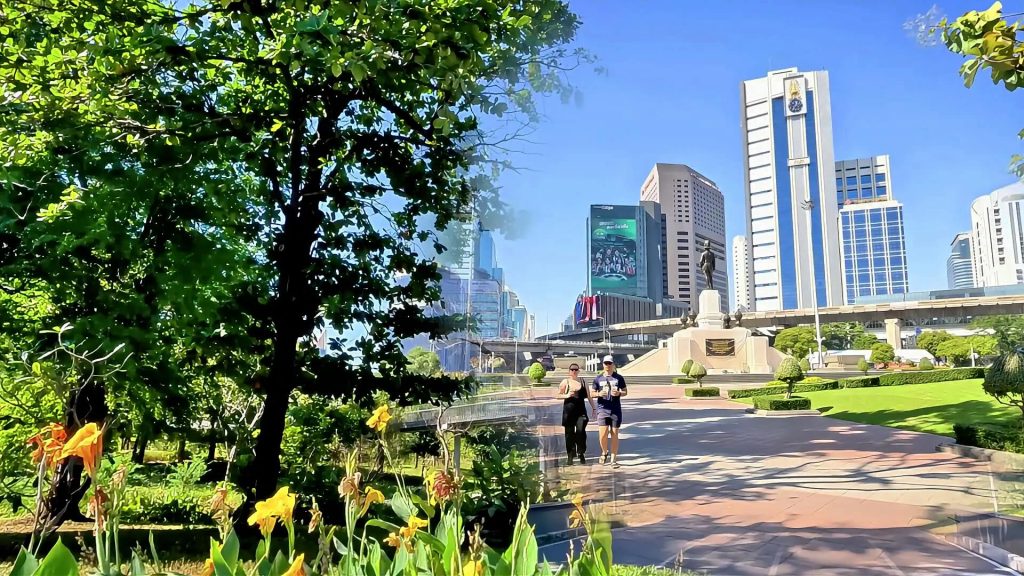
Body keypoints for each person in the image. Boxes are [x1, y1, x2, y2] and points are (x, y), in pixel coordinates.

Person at [592, 355, 627, 468]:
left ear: (613, 364)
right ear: (603, 365)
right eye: (606, 363)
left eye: (609, 363)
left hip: (615, 409)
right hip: (603, 409)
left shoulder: (619, 378)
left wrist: (619, 393)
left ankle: (613, 459)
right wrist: (598, 394)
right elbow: (592, 393)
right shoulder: (598, 379)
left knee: (614, 433)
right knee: (602, 435)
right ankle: (604, 451)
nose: (607, 365)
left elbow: (625, 391)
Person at [558, 363, 596, 465]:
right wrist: (567, 395)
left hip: (581, 412)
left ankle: (581, 452)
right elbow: (558, 395)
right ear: (569, 371)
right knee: (569, 434)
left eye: (576, 370)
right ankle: (570, 455)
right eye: (572, 370)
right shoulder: (565, 382)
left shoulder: (583, 381)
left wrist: (594, 408)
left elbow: (589, 396)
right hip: (569, 412)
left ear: (578, 371)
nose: (574, 371)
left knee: (580, 432)